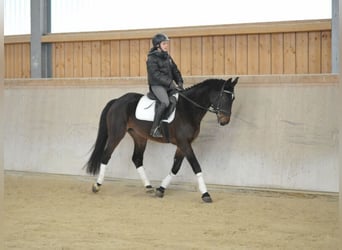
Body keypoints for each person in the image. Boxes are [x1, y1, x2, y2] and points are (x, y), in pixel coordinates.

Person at [146, 33, 184, 138]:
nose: (166, 45)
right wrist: (170, 83)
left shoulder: (167, 57)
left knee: (177, 98)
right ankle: (154, 128)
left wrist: (180, 81)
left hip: (168, 85)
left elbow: (175, 70)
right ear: (158, 45)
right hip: (157, 85)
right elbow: (155, 75)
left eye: (166, 43)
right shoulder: (151, 59)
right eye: (164, 44)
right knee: (165, 102)